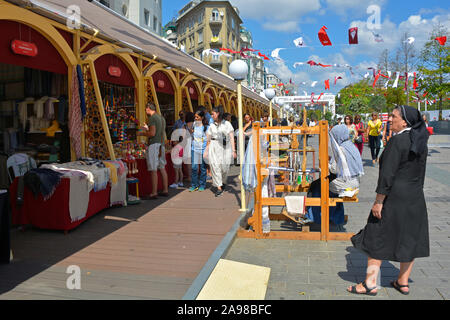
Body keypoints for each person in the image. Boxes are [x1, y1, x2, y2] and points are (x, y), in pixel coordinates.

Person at [348, 105, 430, 296]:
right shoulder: (420, 140)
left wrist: (379, 201)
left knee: (376, 235)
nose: (390, 119)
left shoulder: (397, 141)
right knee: (409, 238)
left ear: (405, 121)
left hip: (394, 196)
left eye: (393, 117)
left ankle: (370, 283)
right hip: (415, 197)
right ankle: (402, 281)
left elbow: (387, 175)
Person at [305, 124, 364, 228]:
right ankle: (337, 217)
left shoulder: (341, 149)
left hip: (346, 183)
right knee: (329, 187)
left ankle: (315, 216)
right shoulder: (351, 145)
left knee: (318, 187)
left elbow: (334, 169)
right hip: (355, 180)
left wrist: (325, 163)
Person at [204, 106, 236, 197]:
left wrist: (233, 150)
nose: (211, 115)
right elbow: (208, 139)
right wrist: (206, 150)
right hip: (214, 146)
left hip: (225, 147)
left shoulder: (227, 124)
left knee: (224, 168)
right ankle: (218, 187)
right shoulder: (211, 125)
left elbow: (231, 137)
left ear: (218, 113)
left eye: (212, 113)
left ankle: (223, 181)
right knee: (215, 167)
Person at [139, 103, 169, 199]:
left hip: (154, 145)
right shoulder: (161, 118)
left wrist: (142, 133)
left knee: (153, 169)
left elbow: (152, 133)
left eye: (146, 109)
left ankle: (154, 192)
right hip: (161, 144)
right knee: (162, 167)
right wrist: (147, 129)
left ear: (148, 109)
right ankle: (165, 190)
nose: (145, 111)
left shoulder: (152, 118)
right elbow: (158, 132)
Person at [190, 110, 209, 192]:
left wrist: (206, 150)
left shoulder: (206, 127)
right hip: (194, 149)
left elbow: (208, 140)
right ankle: (194, 185)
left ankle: (202, 184)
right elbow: (192, 134)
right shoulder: (194, 125)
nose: (195, 118)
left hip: (202, 150)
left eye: (197, 117)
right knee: (194, 168)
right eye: (195, 117)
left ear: (202, 117)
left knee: (203, 168)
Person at [182, 112, 195, 184]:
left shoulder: (184, 126)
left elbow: (183, 136)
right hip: (195, 143)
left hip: (187, 144)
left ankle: (190, 177)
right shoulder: (196, 125)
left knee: (189, 162)